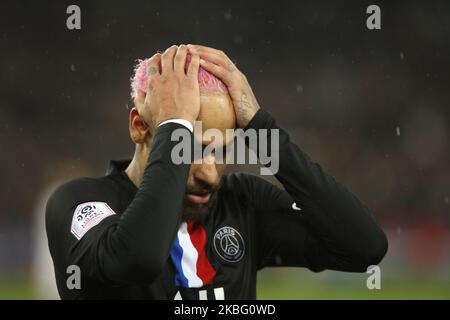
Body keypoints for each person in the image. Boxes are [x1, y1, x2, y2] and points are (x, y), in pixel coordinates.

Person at [46, 44, 388, 299]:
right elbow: (139, 257)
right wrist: (175, 123)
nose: (210, 175)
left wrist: (261, 129)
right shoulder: (80, 203)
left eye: (222, 150)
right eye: (188, 148)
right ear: (140, 127)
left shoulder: (242, 203)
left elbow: (364, 246)